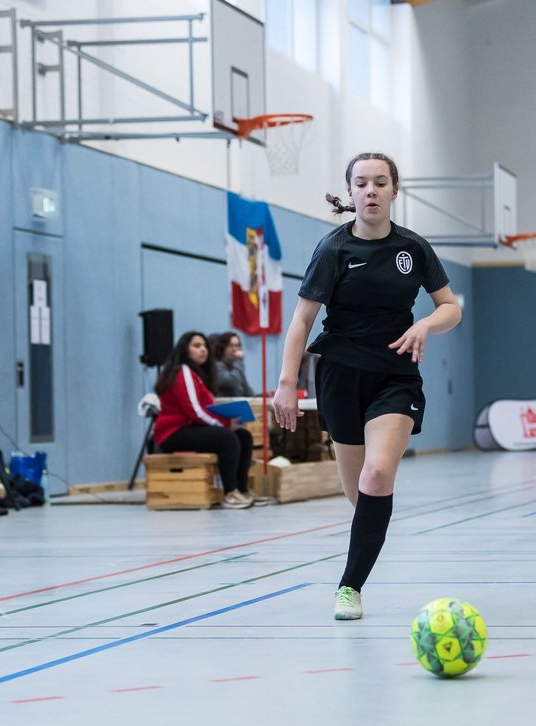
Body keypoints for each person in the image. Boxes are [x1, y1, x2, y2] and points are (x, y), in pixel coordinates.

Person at [273, 153, 462, 620]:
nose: (371, 190)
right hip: (339, 374)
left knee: (377, 475)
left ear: (395, 190)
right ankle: (371, 534)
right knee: (361, 495)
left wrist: (425, 326)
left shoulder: (413, 248)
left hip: (395, 373)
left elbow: (451, 308)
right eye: (362, 183)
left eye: (380, 182)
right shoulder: (333, 248)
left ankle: (348, 587)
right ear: (352, 193)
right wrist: (284, 385)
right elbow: (301, 320)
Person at [153, 331, 260, 509]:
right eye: (197, 346)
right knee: (228, 438)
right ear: (184, 350)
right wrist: (226, 424)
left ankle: (242, 491)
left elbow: (204, 409)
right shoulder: (183, 372)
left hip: (189, 428)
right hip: (172, 433)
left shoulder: (196, 374)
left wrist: (230, 421)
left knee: (244, 436)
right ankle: (230, 493)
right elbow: (195, 411)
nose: (203, 350)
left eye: (204, 346)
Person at [211, 331, 256, 398]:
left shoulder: (235, 366)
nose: (235, 349)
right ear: (222, 348)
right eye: (230, 345)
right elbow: (232, 382)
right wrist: (238, 360)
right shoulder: (217, 365)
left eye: (237, 345)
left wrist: (263, 395)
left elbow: (248, 392)